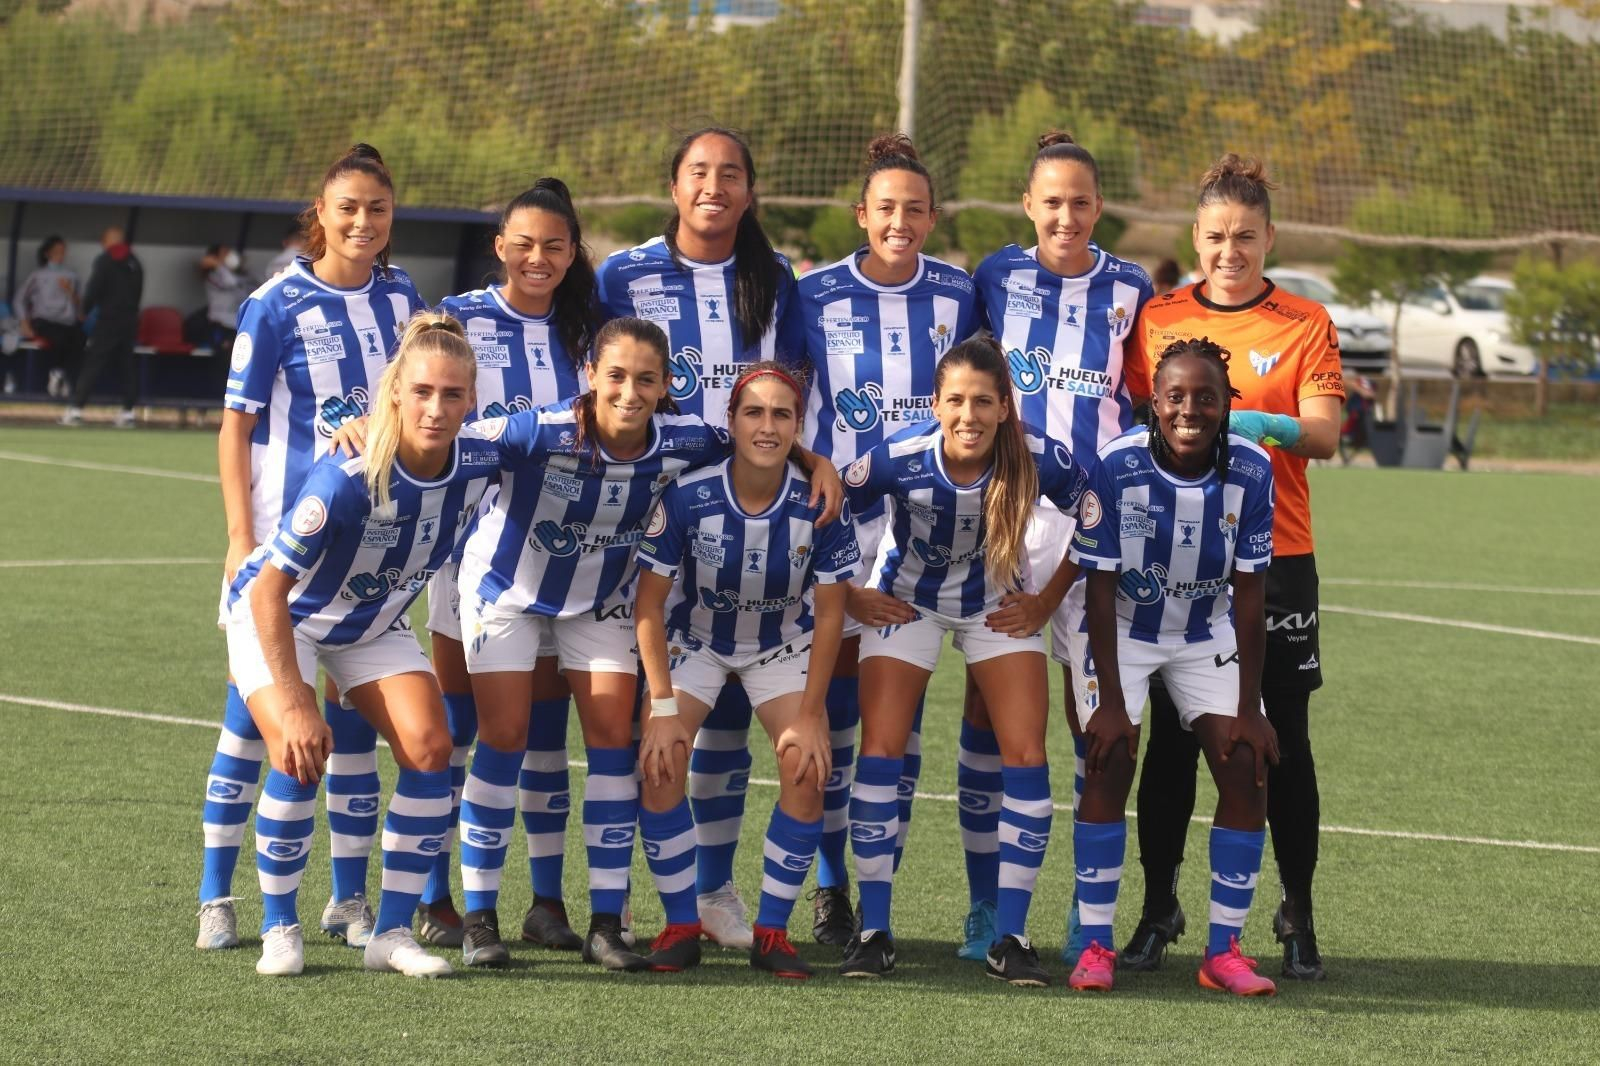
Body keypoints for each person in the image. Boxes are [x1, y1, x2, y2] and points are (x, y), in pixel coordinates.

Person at [450, 317, 843, 970]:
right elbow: (445, 439)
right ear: (591, 378)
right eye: (616, 376)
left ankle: (606, 923)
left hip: (601, 599)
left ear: (666, 387)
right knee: (504, 736)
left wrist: (815, 459)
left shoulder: (683, 439)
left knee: (612, 740)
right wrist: (366, 434)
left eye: (646, 379)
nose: (630, 392)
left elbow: (757, 433)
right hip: (507, 591)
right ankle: (479, 918)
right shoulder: (537, 432)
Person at [198, 144, 427, 954]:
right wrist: (239, 538)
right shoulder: (274, 304)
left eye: (379, 208)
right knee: (255, 728)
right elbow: (237, 428)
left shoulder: (404, 297)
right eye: (349, 208)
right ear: (320, 215)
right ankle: (215, 896)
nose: (364, 223)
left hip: (369, 561)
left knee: (353, 735)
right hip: (285, 555)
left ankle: (348, 901)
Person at [1122, 154, 1345, 981]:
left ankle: (1298, 909)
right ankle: (1158, 908)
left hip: (1277, 555)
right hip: (1176, 556)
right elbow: (1139, 422)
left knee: (1281, 739)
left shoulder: (1304, 322)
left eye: (1245, 236)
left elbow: (1322, 433)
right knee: (1174, 746)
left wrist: (1240, 426)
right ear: (1196, 237)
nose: (1229, 251)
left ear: (1269, 238)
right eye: (1215, 236)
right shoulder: (1156, 318)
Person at [225, 312, 495, 978]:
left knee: (432, 749)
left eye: (452, 395)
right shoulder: (345, 478)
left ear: (472, 401)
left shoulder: (483, 457)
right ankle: (279, 925)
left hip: (372, 627)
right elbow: (267, 593)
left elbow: (568, 432)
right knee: (298, 752)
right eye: (423, 392)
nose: (436, 408)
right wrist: (296, 701)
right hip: (285, 617)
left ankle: (392, 933)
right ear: (396, 393)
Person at [595, 127, 801, 949]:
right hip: (648, 520)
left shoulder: (773, 278)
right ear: (673, 185)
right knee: (654, 722)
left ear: (750, 191)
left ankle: (715, 893)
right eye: (697, 172)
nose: (713, 186)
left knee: (727, 730)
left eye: (731, 175)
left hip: (748, 520)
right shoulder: (625, 274)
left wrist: (809, 460)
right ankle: (659, 901)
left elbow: (787, 392)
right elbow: (604, 385)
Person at [836, 335, 1089, 986]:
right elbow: (830, 510)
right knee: (882, 750)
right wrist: (853, 596)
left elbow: (1098, 516)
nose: (968, 415)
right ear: (935, 404)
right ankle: (874, 931)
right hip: (907, 603)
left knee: (1027, 755)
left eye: (983, 401)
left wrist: (1047, 601)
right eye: (955, 401)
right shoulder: (900, 456)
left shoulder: (1036, 458)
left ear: (1006, 406)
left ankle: (1012, 935)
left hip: (997, 605)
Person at [969, 130, 1153, 960]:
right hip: (1004, 517)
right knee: (990, 712)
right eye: (1053, 201)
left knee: (1095, 723)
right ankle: (986, 911)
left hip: (1090, 525)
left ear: (1099, 206)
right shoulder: (996, 276)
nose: (1067, 215)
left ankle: (1088, 920)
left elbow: (1145, 403)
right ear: (1028, 204)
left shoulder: (1131, 286)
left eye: (1081, 202)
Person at [792, 132, 977, 946]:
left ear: (933, 218)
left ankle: (880, 893)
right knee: (834, 712)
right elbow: (791, 399)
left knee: (894, 726)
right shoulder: (814, 293)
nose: (899, 221)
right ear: (861, 214)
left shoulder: (960, 294)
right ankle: (832, 888)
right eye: (885, 208)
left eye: (914, 209)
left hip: (924, 532)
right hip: (841, 525)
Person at [1063, 336, 1280, 997]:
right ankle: (1096, 945)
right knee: (1110, 756)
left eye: (1206, 398)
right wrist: (1107, 701)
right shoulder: (1116, 464)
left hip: (1204, 627)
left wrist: (1248, 707)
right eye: (1177, 397)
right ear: (1153, 404)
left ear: (1226, 404)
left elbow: (1250, 593)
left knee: (1245, 767)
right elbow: (1098, 586)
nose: (1191, 410)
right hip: (1121, 627)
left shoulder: (1251, 469)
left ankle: (1224, 952)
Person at [419, 177, 599, 956]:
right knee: (463, 730)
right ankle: (435, 896)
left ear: (572, 253)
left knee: (545, 736)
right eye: (523, 243)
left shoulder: (590, 332)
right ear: (500, 245)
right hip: (465, 554)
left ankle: (547, 901)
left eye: (554, 246)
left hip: (554, 562)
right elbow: (413, 402)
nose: (538, 258)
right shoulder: (456, 319)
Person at [634, 362, 860, 979]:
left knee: (807, 768)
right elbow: (649, 606)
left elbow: (833, 616)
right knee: (660, 761)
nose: (767, 426)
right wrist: (658, 709)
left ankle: (772, 934)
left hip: (780, 646)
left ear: (798, 426)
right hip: (697, 642)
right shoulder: (688, 495)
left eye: (781, 414)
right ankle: (682, 924)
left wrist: (812, 716)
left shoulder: (819, 502)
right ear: (731, 422)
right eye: (753, 413)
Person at [60, 226, 143, 427]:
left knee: (94, 362)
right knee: (127, 366)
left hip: (108, 320)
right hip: (130, 320)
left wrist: (84, 311)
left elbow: (94, 288)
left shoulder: (105, 260)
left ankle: (76, 409)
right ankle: (128, 412)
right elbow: (138, 291)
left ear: (107, 242)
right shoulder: (135, 262)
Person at [15, 235, 83, 400]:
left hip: (66, 321)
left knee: (79, 338)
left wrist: (69, 290)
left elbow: (80, 302)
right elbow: (19, 298)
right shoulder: (38, 275)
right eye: (57, 251)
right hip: (43, 320)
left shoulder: (71, 275)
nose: (61, 254)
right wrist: (24, 322)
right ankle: (56, 375)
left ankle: (63, 376)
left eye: (63, 251)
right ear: (47, 253)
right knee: (58, 337)